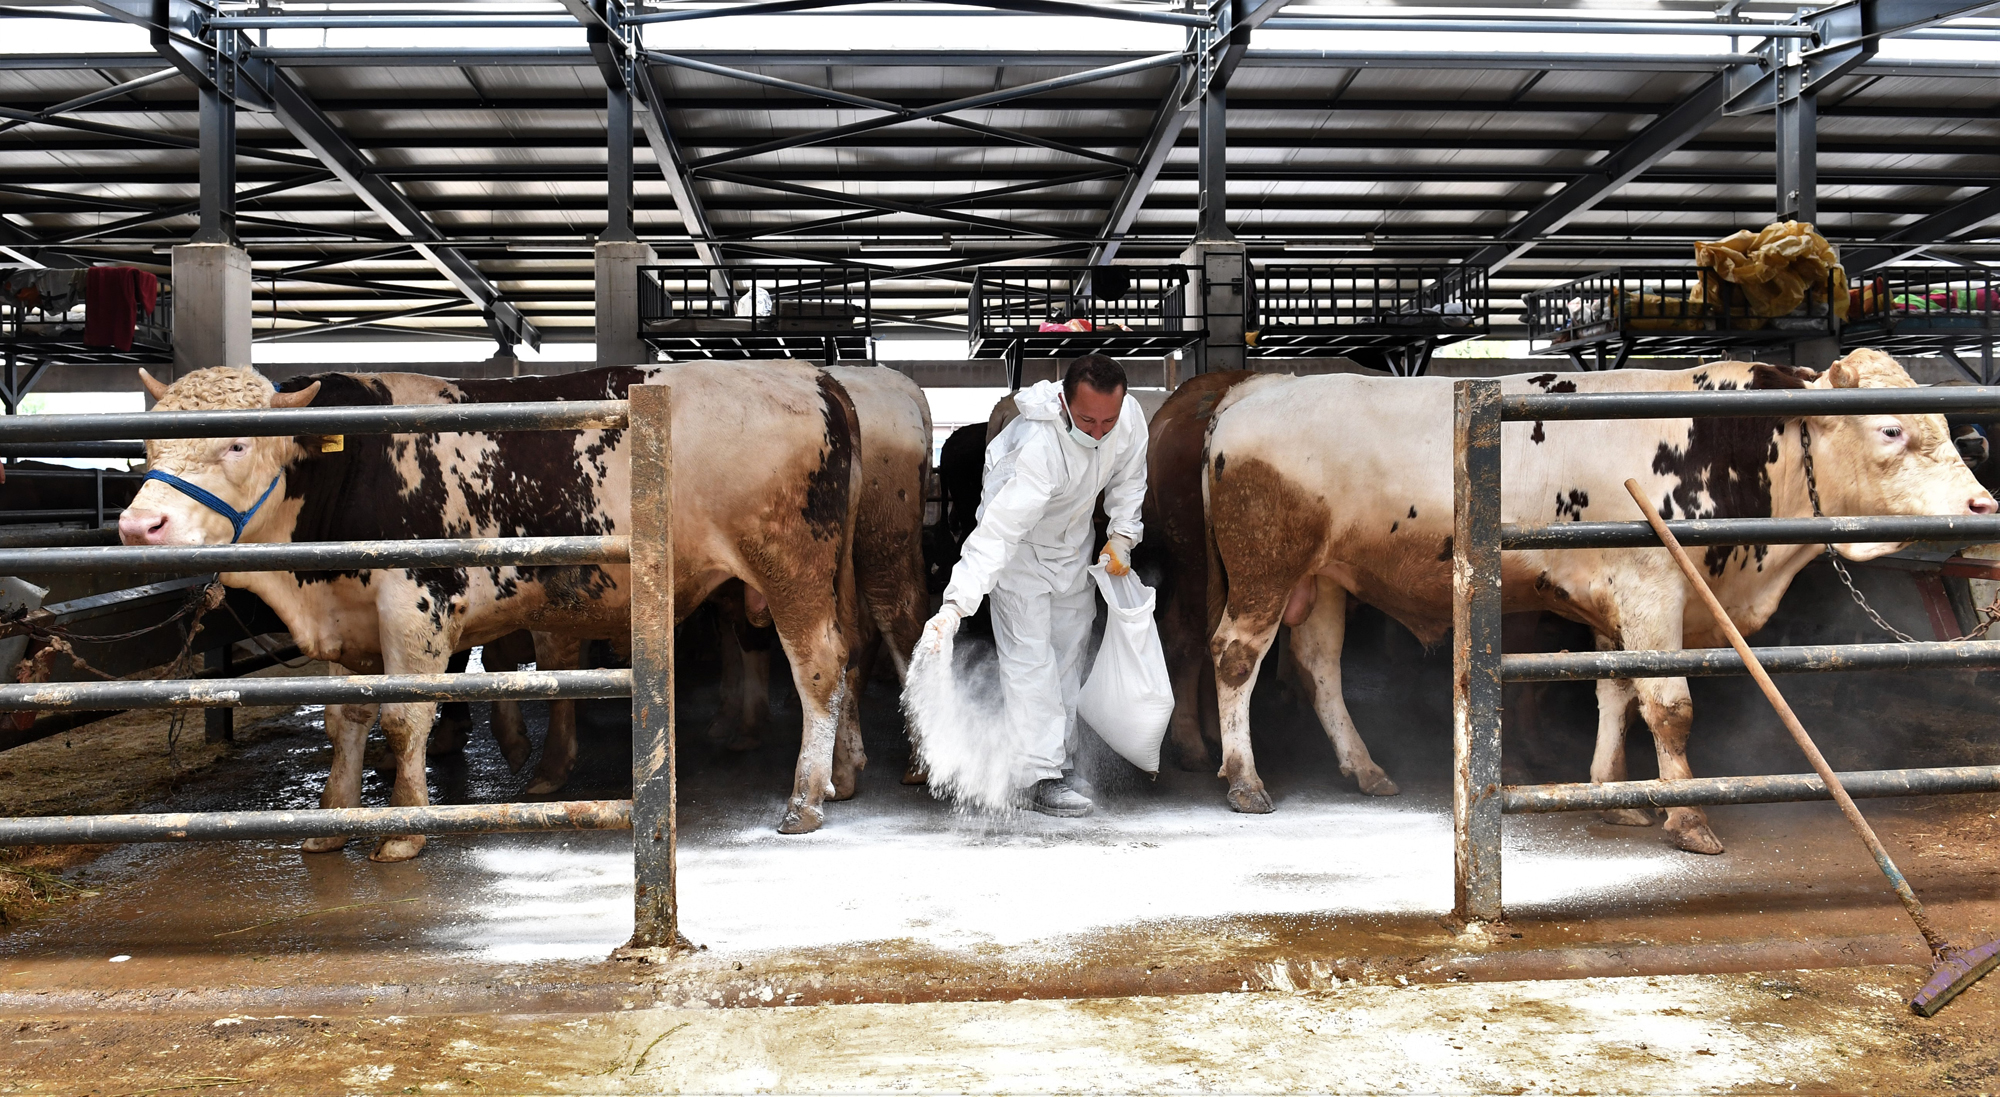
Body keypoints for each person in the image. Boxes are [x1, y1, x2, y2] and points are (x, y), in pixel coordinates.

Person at [920, 354, 1148, 817]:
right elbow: (996, 534)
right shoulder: (1035, 449)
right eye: (1087, 420)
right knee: (1030, 663)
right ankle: (1035, 775)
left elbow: (1130, 476)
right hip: (1019, 558)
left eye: (1108, 420)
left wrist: (1123, 532)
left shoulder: (1127, 418)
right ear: (1064, 403)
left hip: (1072, 550)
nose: (1099, 431)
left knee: (1067, 657)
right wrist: (954, 606)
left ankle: (1059, 764)